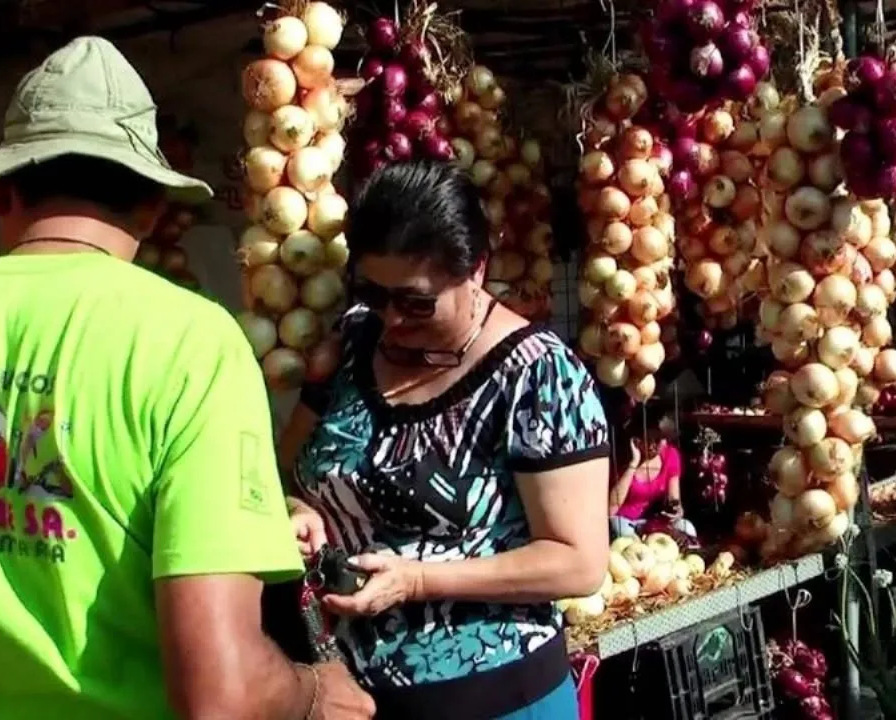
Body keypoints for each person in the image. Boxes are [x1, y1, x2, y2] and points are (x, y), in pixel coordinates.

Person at [0, 36, 374, 720]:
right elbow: (220, 693)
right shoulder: (193, 344)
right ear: (153, 205)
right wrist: (318, 693)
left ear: (2, 190)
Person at [276, 160, 611, 720]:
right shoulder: (354, 340)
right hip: (347, 696)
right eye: (374, 293)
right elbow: (286, 469)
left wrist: (417, 580)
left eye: (415, 301)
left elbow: (577, 562)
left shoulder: (538, 375)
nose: (392, 318)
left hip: (495, 702)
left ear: (476, 269)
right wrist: (296, 509)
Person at [607, 409, 696, 540]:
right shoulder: (623, 458)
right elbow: (611, 510)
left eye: (658, 440)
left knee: (686, 528)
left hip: (651, 522)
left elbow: (674, 499)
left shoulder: (671, 456)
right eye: (647, 439)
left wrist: (676, 511)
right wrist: (634, 463)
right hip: (623, 521)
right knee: (623, 532)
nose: (652, 446)